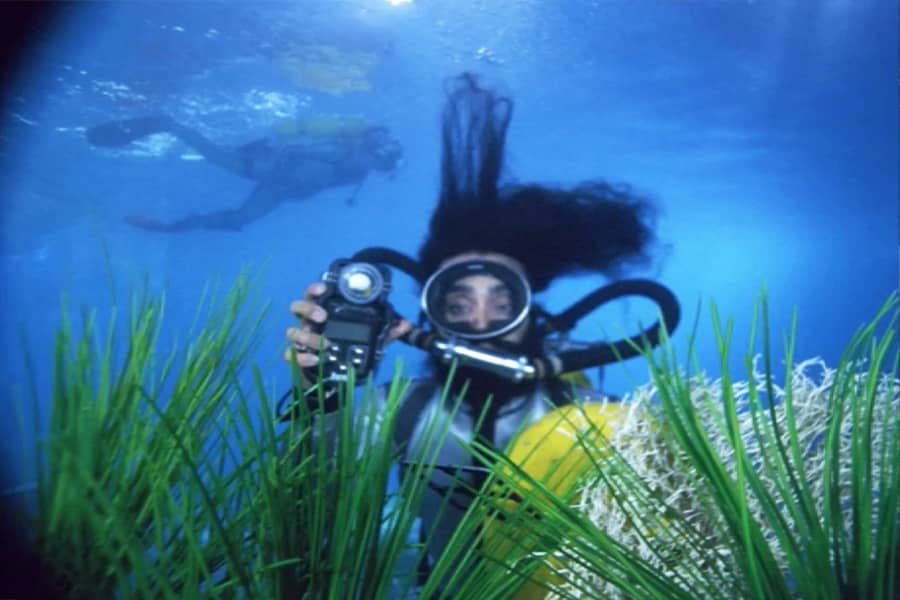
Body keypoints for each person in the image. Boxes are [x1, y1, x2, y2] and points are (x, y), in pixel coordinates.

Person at [282, 73, 680, 582]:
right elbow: (315, 486)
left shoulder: (587, 416)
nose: (482, 322)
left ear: (530, 310)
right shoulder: (402, 411)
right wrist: (320, 393)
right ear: (432, 315)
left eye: (502, 301)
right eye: (459, 303)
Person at [85, 115, 403, 232]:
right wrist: (271, 154)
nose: (373, 168)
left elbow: (314, 180)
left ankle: (170, 227)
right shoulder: (344, 150)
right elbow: (296, 151)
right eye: (379, 163)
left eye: (380, 166)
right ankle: (165, 123)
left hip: (277, 185)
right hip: (269, 168)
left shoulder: (353, 170)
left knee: (239, 221)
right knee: (213, 156)